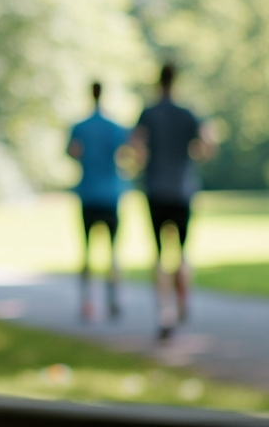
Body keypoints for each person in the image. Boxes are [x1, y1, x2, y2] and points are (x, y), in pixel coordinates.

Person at [131, 64, 213, 340]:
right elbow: (206, 147)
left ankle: (164, 312)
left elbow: (135, 147)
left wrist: (144, 163)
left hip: (155, 191)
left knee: (158, 254)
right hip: (182, 190)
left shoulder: (148, 113)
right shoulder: (188, 114)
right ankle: (182, 301)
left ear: (158, 82)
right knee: (181, 253)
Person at [67, 82, 130, 323]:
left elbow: (72, 152)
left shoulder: (80, 127)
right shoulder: (115, 127)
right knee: (113, 253)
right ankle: (113, 298)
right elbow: (127, 153)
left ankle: (87, 302)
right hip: (111, 195)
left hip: (88, 194)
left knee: (87, 252)